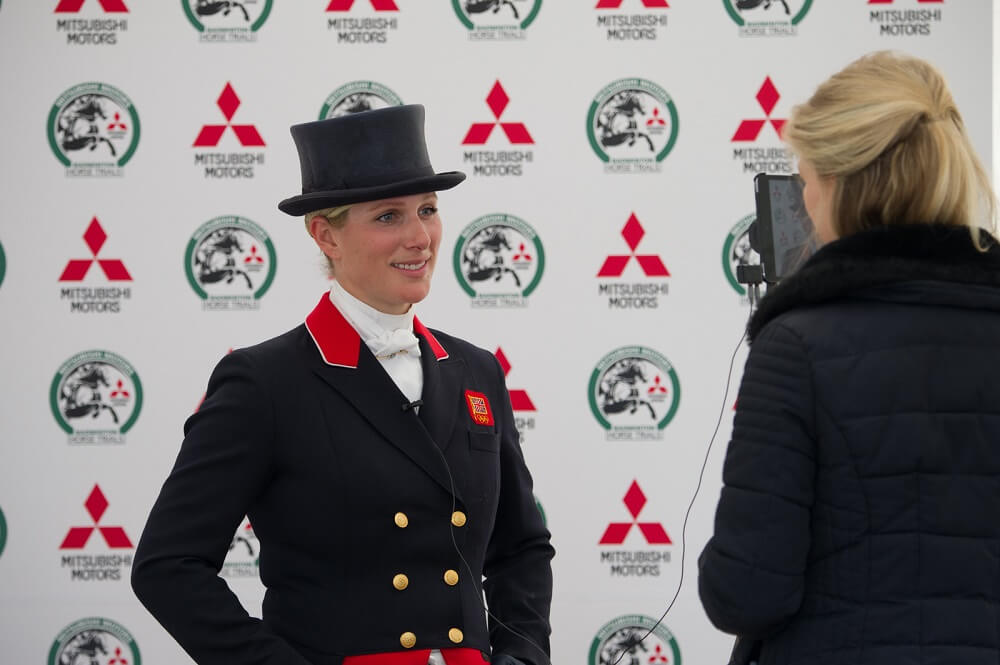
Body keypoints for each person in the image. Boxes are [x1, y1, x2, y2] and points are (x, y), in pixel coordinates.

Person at [131, 105, 554, 665]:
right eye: (387, 217)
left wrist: (520, 656)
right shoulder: (264, 383)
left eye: (427, 210)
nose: (420, 237)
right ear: (325, 235)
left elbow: (520, 547)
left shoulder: (477, 371)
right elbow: (168, 565)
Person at [698, 51, 1000, 665]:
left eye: (804, 179)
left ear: (838, 185)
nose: (804, 200)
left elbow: (745, 593)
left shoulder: (797, 348)